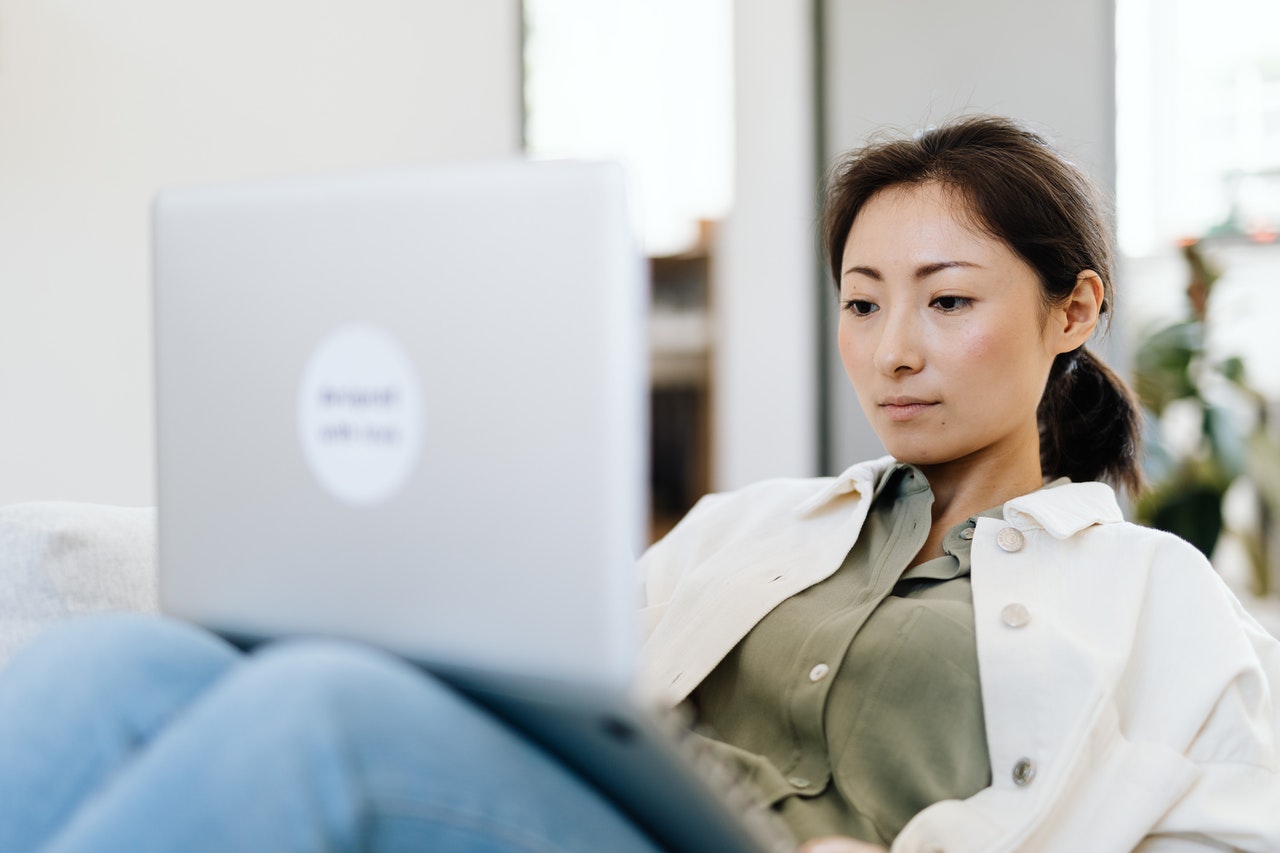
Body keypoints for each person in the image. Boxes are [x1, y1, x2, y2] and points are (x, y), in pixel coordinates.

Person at [0, 114, 1276, 852]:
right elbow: (571, 670)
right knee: (113, 666)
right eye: (860, 301)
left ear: (1071, 311)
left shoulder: (1149, 589)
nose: (891, 349)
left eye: (945, 302)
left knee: (316, 719)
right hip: (639, 807)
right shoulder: (751, 527)